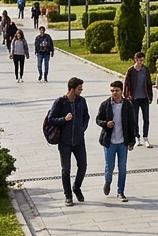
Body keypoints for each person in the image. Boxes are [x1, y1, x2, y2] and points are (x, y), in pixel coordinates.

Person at [47, 77, 90, 206]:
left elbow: (86, 117)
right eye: (79, 88)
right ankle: (68, 196)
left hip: (79, 141)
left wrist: (82, 128)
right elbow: (50, 119)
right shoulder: (60, 102)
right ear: (72, 89)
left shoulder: (81, 101)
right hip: (64, 142)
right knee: (66, 169)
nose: (81, 90)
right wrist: (64, 119)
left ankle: (76, 187)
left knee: (83, 166)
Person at [96, 80, 138, 202]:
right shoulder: (106, 104)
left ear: (121, 91)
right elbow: (98, 119)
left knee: (122, 168)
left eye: (117, 91)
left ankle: (120, 191)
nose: (114, 93)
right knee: (109, 167)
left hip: (122, 142)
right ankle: (107, 181)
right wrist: (106, 124)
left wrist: (132, 141)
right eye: (112, 91)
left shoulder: (127, 105)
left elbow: (132, 123)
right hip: (109, 141)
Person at [124, 52, 153, 147]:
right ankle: (137, 137)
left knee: (146, 119)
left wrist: (150, 96)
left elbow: (149, 84)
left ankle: (146, 137)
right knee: (134, 119)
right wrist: (127, 96)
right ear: (135, 59)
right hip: (134, 98)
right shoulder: (130, 70)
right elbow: (126, 84)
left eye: (142, 60)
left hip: (144, 97)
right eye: (139, 60)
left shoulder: (145, 70)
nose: (141, 62)